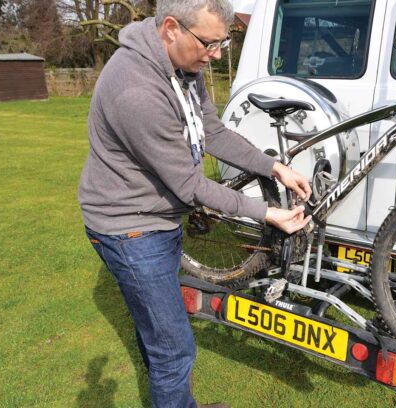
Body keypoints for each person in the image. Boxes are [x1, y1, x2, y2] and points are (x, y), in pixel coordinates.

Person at [78, 1, 312, 407]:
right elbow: (189, 185)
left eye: (224, 42)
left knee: (157, 332)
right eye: (210, 43)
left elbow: (214, 133)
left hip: (157, 221)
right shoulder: (136, 90)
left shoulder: (186, 68)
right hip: (129, 230)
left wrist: (274, 167)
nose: (217, 54)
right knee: (175, 348)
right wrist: (268, 213)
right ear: (171, 28)